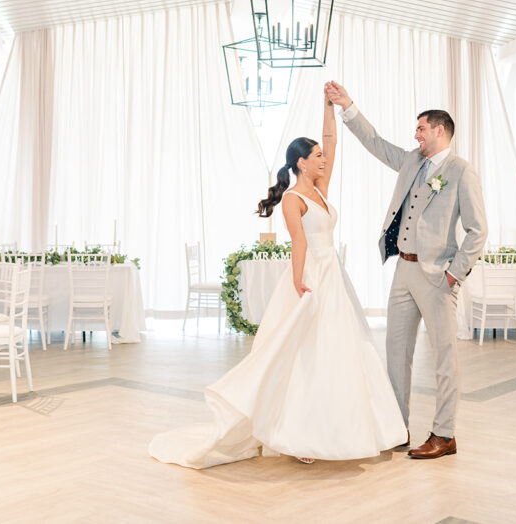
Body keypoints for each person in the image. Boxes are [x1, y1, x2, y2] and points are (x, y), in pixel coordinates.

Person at [148, 86, 405, 468]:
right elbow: (298, 244)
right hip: (313, 277)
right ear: (301, 163)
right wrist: (299, 281)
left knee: (344, 350)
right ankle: (300, 435)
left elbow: (332, 142)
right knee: (307, 353)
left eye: (321, 156)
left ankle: (356, 429)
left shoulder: (321, 188)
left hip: (335, 277)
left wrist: (328, 107)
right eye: (316, 156)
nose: (323, 159)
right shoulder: (293, 199)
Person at [324, 80, 488, 460]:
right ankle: (398, 428)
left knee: (445, 357)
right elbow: (376, 143)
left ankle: (444, 434)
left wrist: (454, 274)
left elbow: (478, 231)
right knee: (396, 352)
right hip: (403, 269)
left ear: (440, 130)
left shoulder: (462, 172)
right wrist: (348, 106)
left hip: (437, 278)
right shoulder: (412, 161)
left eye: (421, 128)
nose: (415, 134)